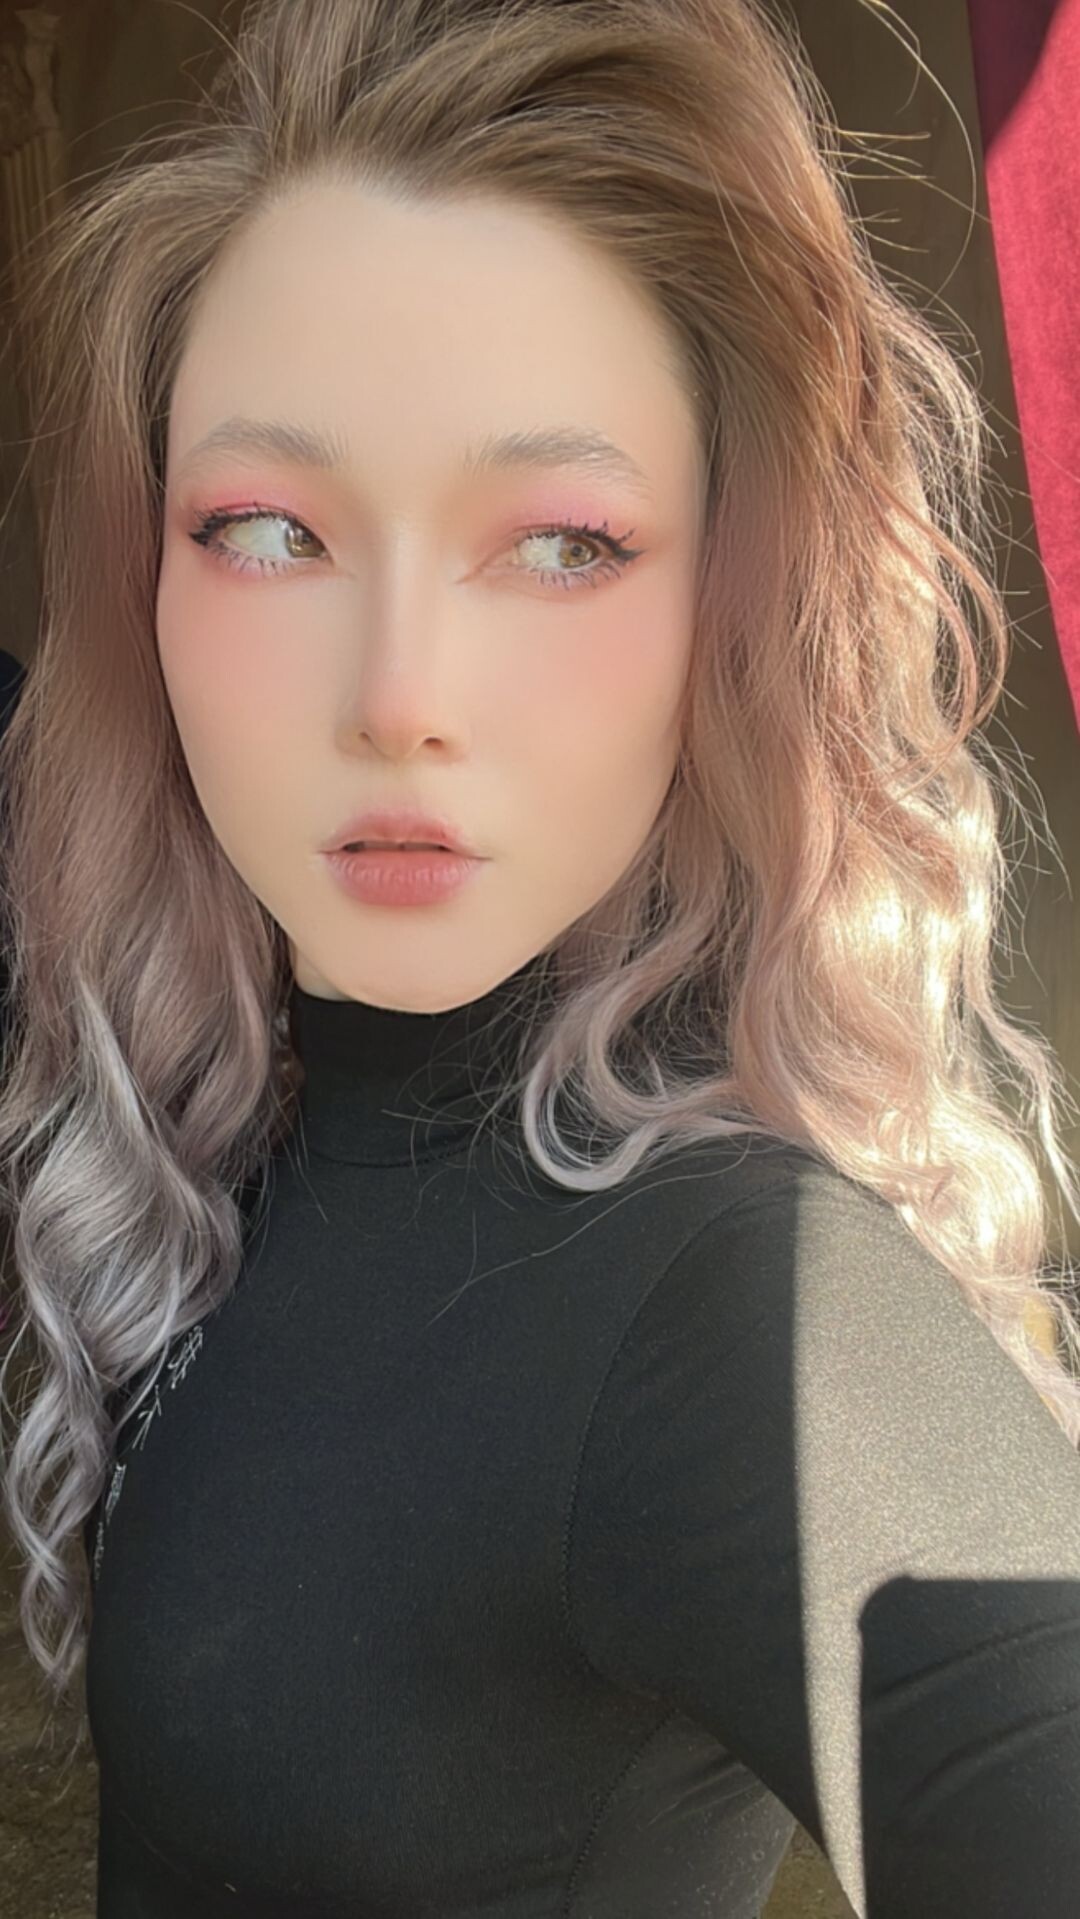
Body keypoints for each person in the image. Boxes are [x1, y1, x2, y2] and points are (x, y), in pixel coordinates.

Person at [0, 2, 1079, 1914]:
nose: (398, 694)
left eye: (564, 543)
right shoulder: (243, 1087)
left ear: (731, 597)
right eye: (268, 528)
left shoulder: (735, 1302)